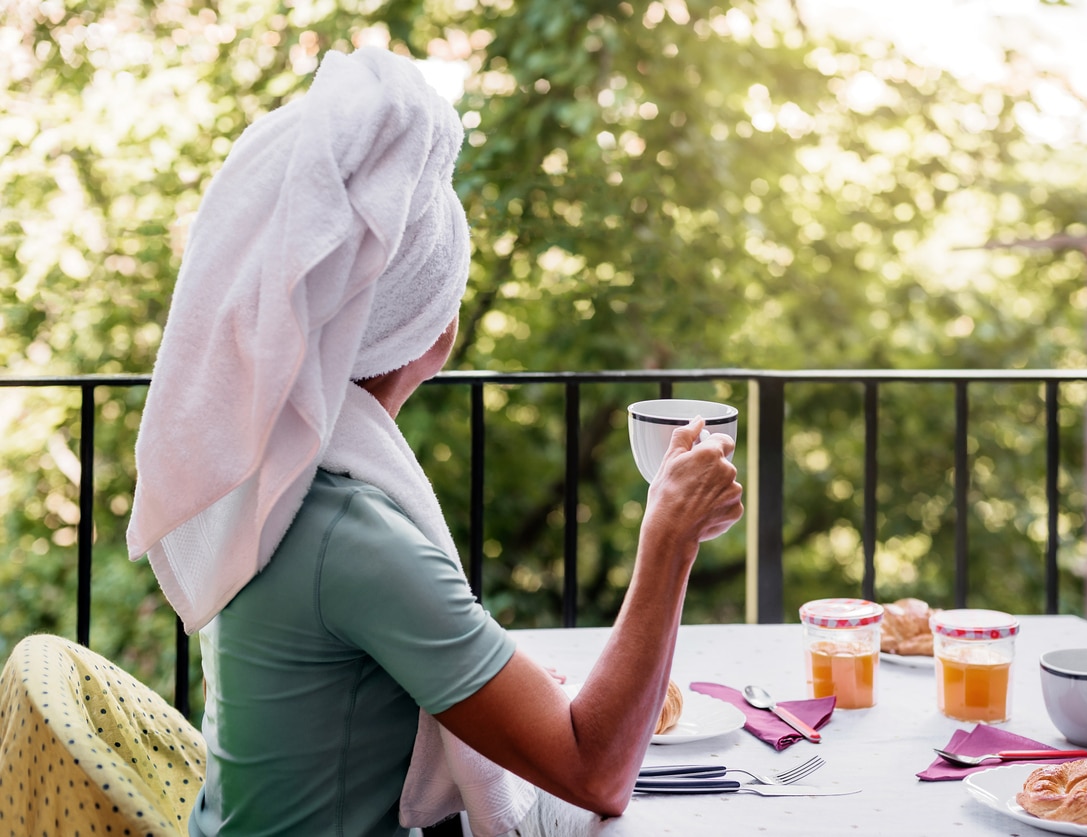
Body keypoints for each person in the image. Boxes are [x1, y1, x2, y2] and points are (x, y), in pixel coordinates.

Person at [126, 47, 742, 836]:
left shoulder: (271, 475)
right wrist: (670, 535)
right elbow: (597, 772)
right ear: (434, 327)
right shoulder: (347, 534)